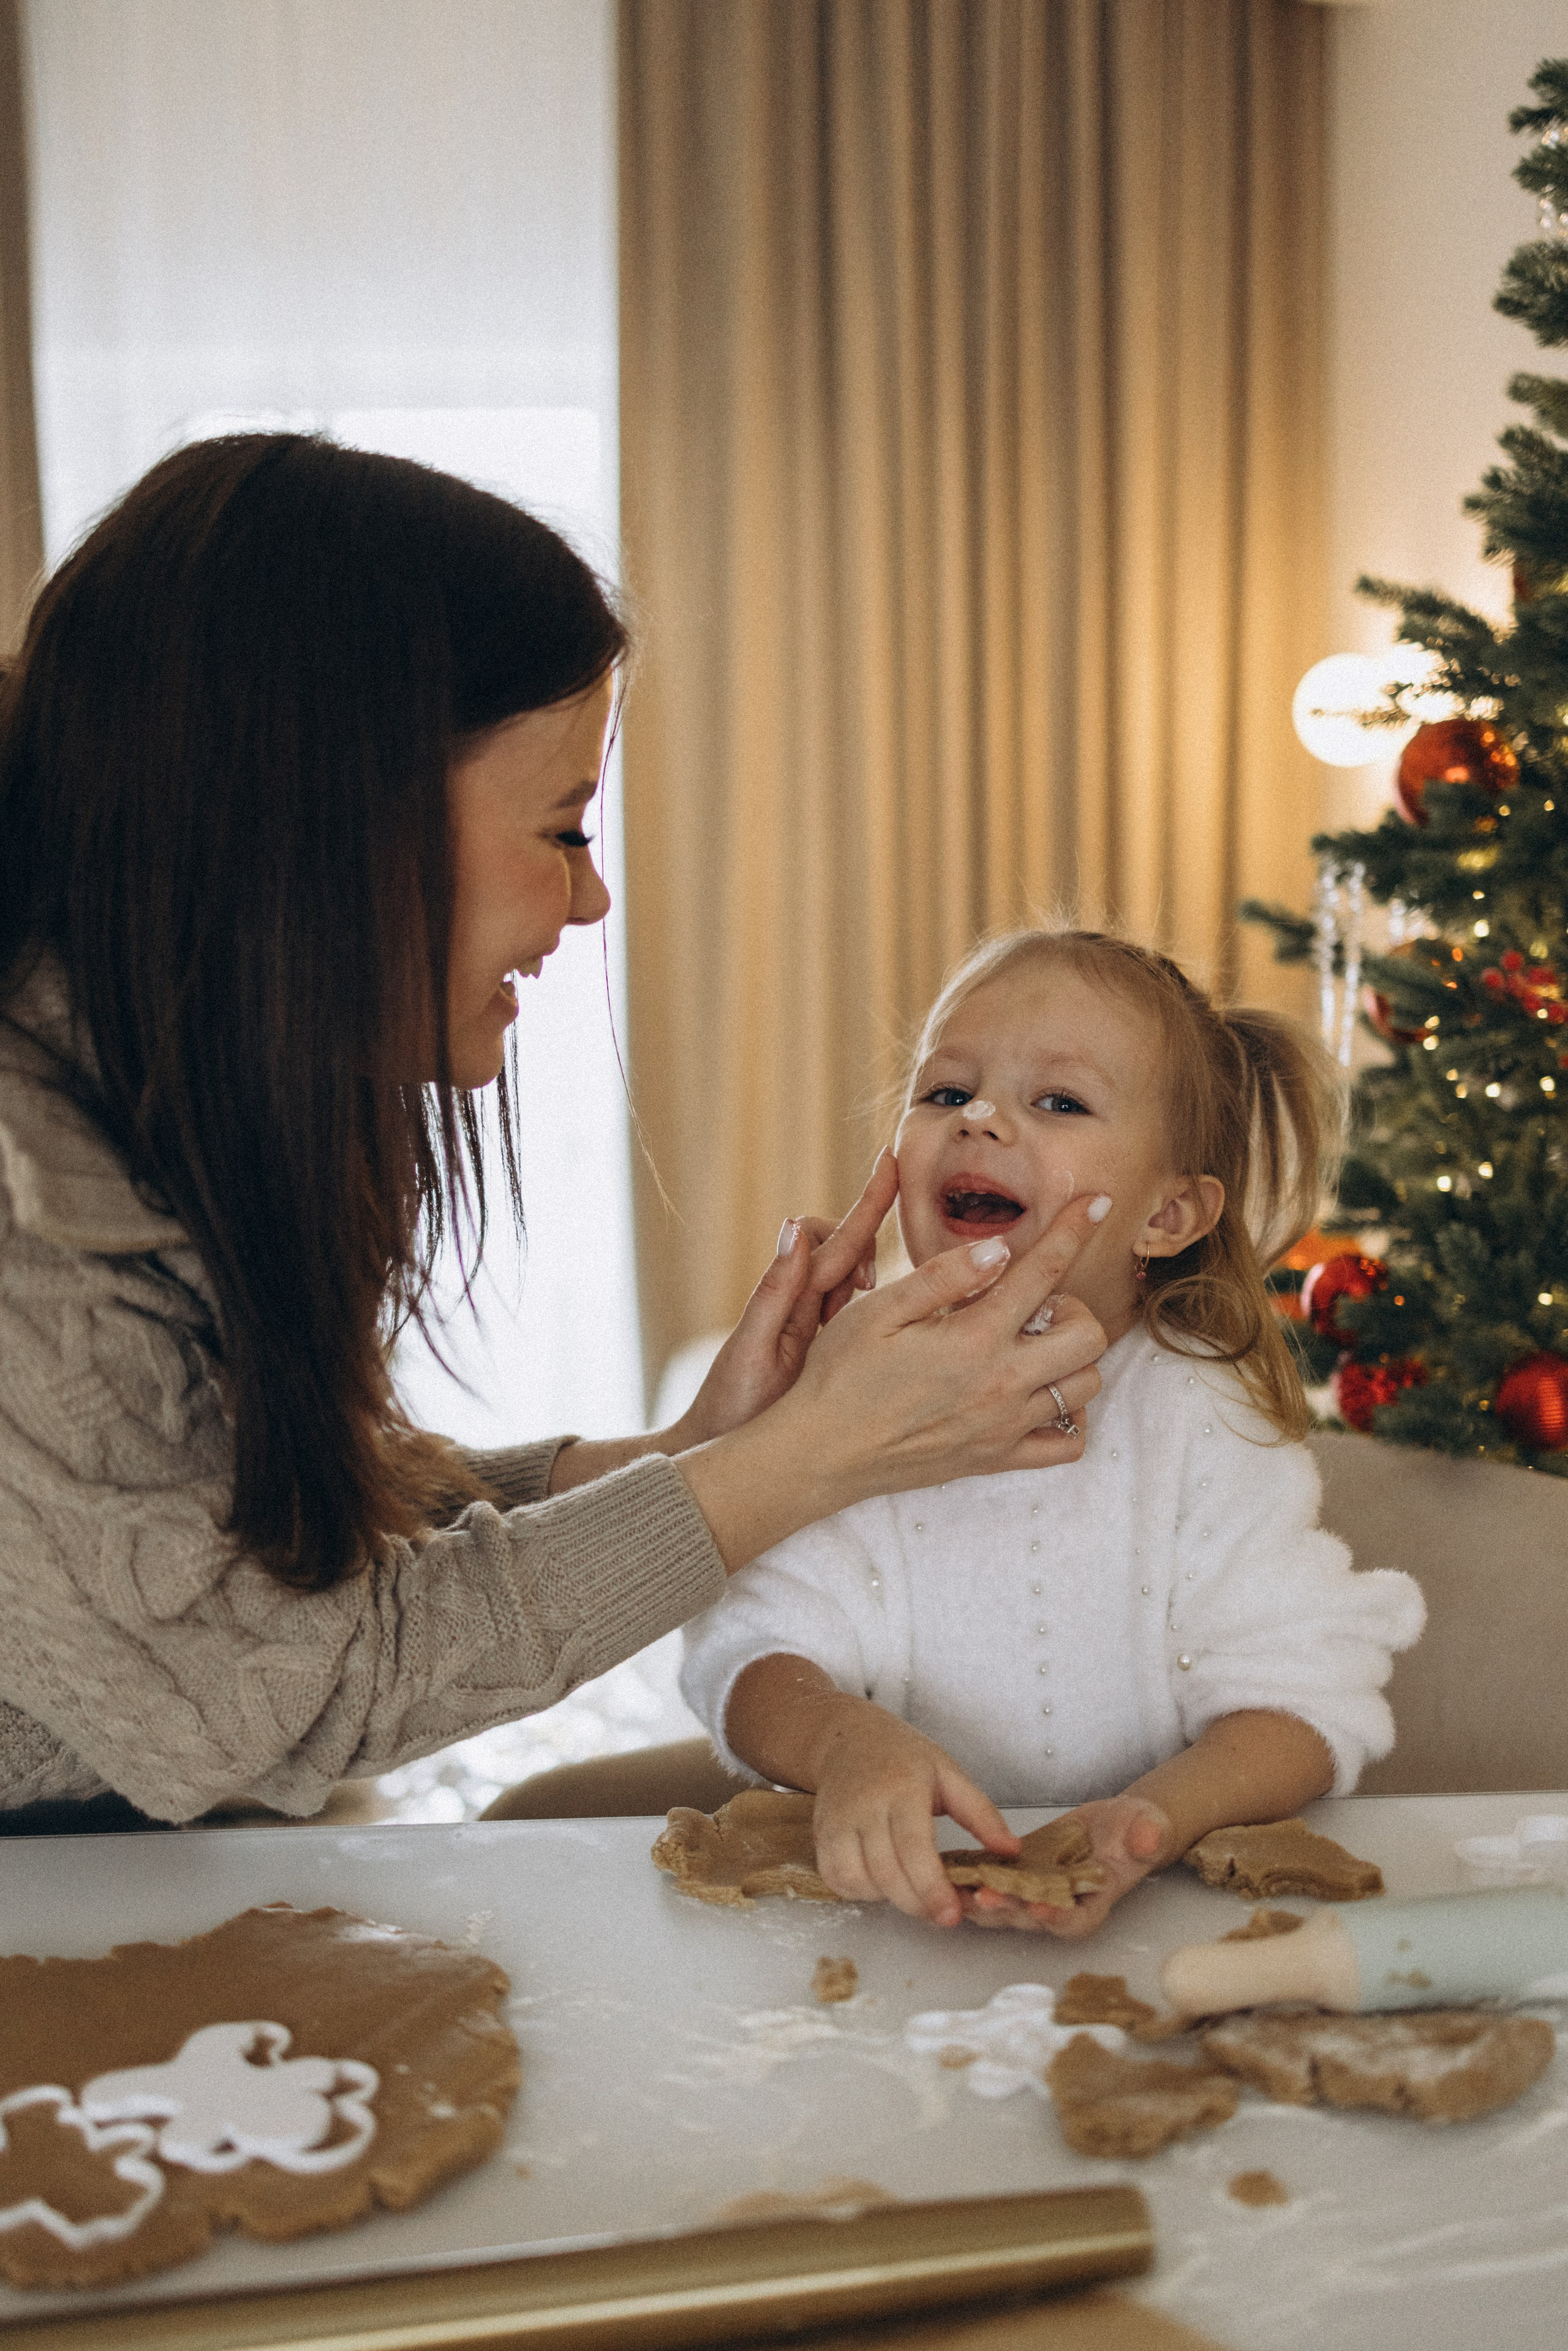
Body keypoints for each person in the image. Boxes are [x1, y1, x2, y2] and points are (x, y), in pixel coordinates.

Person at [0, 434, 1107, 1831]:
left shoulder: (160, 1103)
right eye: (566, 831)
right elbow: (278, 1689)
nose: (589, 903)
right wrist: (805, 1458)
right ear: (340, 829)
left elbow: (254, 1528)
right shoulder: (27, 1222)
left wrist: (697, 1445)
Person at [679, 929, 1427, 1937]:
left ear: (1169, 1214)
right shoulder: (849, 1387)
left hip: (1156, 1920)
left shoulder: (1201, 1416)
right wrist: (842, 1741)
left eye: (1059, 1102)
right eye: (947, 1091)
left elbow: (1303, 1699)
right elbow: (752, 1649)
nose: (979, 1118)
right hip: (891, 1920)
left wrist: (1153, 1819)